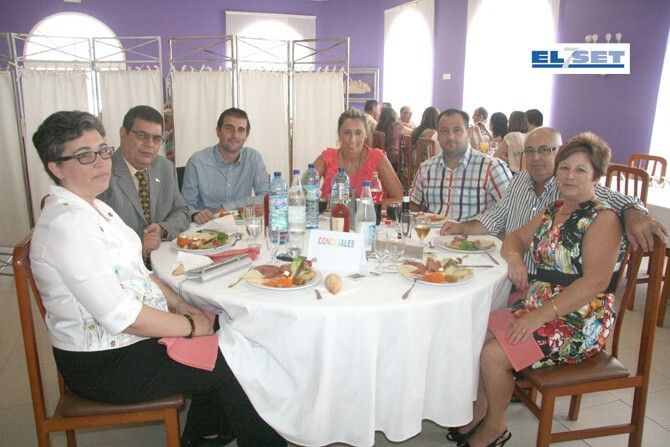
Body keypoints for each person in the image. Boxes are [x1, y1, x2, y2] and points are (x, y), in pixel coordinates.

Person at [30, 111, 286, 447]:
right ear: (56, 167)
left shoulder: (94, 208)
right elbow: (121, 316)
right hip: (106, 361)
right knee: (240, 361)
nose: (101, 162)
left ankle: (205, 432)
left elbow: (143, 272)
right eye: (84, 155)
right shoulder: (68, 225)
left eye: (102, 150)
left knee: (224, 324)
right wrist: (190, 326)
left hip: (128, 340)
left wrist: (183, 306)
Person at [457, 132, 623, 447]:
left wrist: (538, 317)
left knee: (494, 354)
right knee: (477, 330)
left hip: (578, 319)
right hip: (539, 306)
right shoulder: (554, 210)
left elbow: (595, 282)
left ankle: (495, 426)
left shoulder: (603, 219)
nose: (569, 176)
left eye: (580, 170)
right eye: (564, 168)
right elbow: (514, 239)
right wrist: (515, 259)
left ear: (596, 176)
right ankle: (481, 409)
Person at [440, 127, 668, 267]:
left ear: (561, 152)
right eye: (529, 151)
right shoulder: (519, 180)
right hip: (511, 269)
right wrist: (463, 227)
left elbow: (617, 200)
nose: (536, 158)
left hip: (549, 285)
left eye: (545, 150)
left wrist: (634, 213)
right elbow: (496, 216)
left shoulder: (572, 186)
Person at [98, 105, 189, 259]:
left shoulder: (166, 168)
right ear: (123, 134)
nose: (150, 144)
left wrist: (162, 229)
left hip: (165, 258)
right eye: (141, 136)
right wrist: (138, 244)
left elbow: (182, 212)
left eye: (156, 139)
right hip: (124, 266)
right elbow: (97, 238)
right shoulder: (102, 173)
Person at [409, 109, 512, 221]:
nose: (450, 136)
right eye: (444, 131)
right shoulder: (426, 168)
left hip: (472, 231)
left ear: (469, 133)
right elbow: (414, 205)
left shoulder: (492, 168)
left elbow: (513, 210)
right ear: (437, 135)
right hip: (433, 231)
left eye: (457, 130)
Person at [182, 107, 268, 224]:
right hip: (208, 226)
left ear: (246, 136)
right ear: (218, 131)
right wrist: (195, 214)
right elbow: (186, 205)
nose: (235, 135)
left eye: (241, 130)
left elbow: (266, 196)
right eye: (229, 128)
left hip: (242, 225)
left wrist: (227, 207)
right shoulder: (197, 161)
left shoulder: (254, 158)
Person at [313, 108, 403, 201]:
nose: (352, 139)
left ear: (366, 134)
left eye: (358, 133)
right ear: (339, 134)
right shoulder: (328, 158)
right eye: (347, 133)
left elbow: (399, 198)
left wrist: (368, 206)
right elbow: (305, 188)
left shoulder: (378, 158)